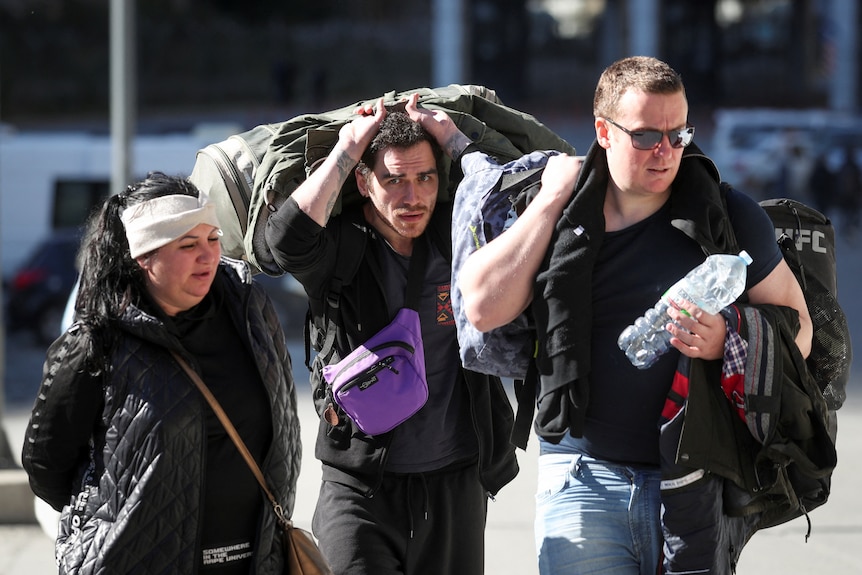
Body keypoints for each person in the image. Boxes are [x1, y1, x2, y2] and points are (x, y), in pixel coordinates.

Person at [457, 56, 812, 574]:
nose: (665, 151)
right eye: (646, 135)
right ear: (603, 131)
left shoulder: (728, 215)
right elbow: (483, 309)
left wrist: (729, 338)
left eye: (678, 133)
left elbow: (798, 327)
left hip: (696, 479)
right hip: (582, 477)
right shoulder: (558, 205)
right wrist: (552, 197)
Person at [264, 93, 518, 575]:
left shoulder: (457, 235)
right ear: (364, 182)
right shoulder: (342, 250)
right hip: (360, 486)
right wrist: (349, 148)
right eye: (394, 180)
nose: (412, 196)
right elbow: (286, 241)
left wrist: (452, 139)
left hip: (455, 484)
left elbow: (515, 202)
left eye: (425, 178)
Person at [21, 172, 302, 574]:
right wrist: (109, 522)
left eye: (212, 239)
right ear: (143, 258)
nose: (208, 256)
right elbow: (47, 464)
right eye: (188, 245)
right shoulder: (97, 341)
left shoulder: (250, 313)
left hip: (254, 561)